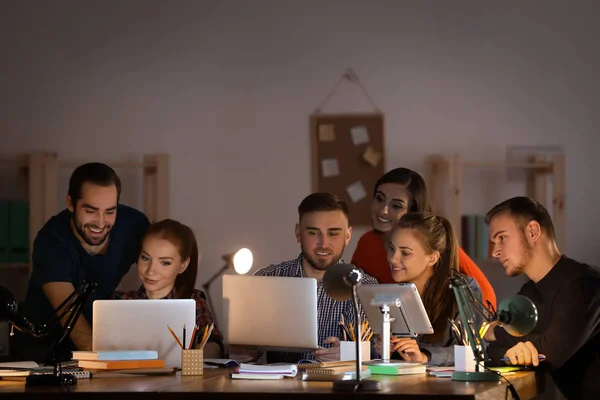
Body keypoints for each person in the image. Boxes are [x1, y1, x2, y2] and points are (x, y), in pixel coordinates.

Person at [20, 163, 150, 363]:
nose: (100, 222)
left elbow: (165, 260)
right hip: (44, 349)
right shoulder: (51, 241)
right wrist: (108, 363)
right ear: (71, 204)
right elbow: (72, 318)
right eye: (91, 211)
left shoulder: (134, 226)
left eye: (110, 211)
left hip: (99, 335)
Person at [229, 193, 378, 364]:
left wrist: (351, 352)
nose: (323, 243)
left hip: (339, 388)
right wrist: (242, 352)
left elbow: (378, 351)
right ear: (298, 233)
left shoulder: (365, 287)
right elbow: (245, 344)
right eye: (313, 233)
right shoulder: (266, 279)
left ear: (348, 236)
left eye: (333, 234)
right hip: (281, 388)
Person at [484, 196, 600, 400]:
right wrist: (509, 348)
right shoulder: (528, 293)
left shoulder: (585, 283)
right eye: (493, 242)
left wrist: (497, 332)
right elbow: (491, 353)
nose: (495, 252)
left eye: (502, 237)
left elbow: (552, 352)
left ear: (533, 231)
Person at [351, 167, 497, 308]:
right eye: (379, 198)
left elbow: (486, 300)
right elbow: (351, 292)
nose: (383, 209)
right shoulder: (367, 242)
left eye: (396, 206)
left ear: (413, 212)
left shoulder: (437, 244)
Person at [373, 211, 483, 366]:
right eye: (391, 249)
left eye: (405, 253)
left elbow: (473, 349)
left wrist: (425, 357)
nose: (393, 258)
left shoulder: (462, 289)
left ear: (432, 258)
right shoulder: (391, 295)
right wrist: (382, 349)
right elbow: (379, 349)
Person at [111, 219, 223, 358]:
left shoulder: (193, 301)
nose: (151, 271)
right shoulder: (118, 301)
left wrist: (186, 354)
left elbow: (215, 348)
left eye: (165, 263)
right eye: (145, 258)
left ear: (183, 265)